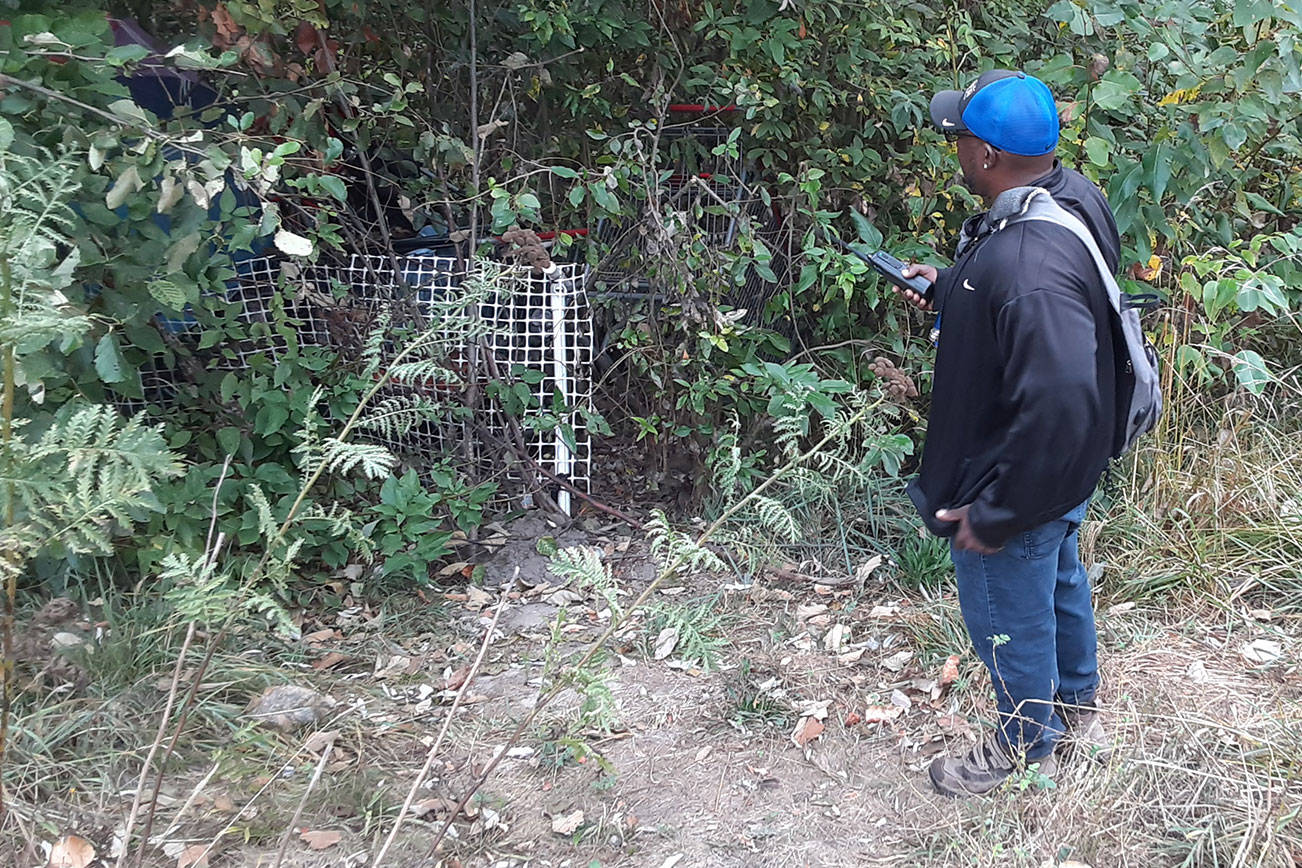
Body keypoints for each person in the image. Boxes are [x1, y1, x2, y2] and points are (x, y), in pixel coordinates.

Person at [895, 69, 1120, 797]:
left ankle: (1025, 747)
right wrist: (950, 286)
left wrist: (993, 510)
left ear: (987, 156)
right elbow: (1048, 319)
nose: (955, 148)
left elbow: (1058, 394)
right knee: (1059, 579)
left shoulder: (1024, 262)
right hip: (1063, 476)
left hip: (1012, 479)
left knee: (1009, 616)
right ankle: (1077, 706)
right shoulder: (1068, 199)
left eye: (960, 138)